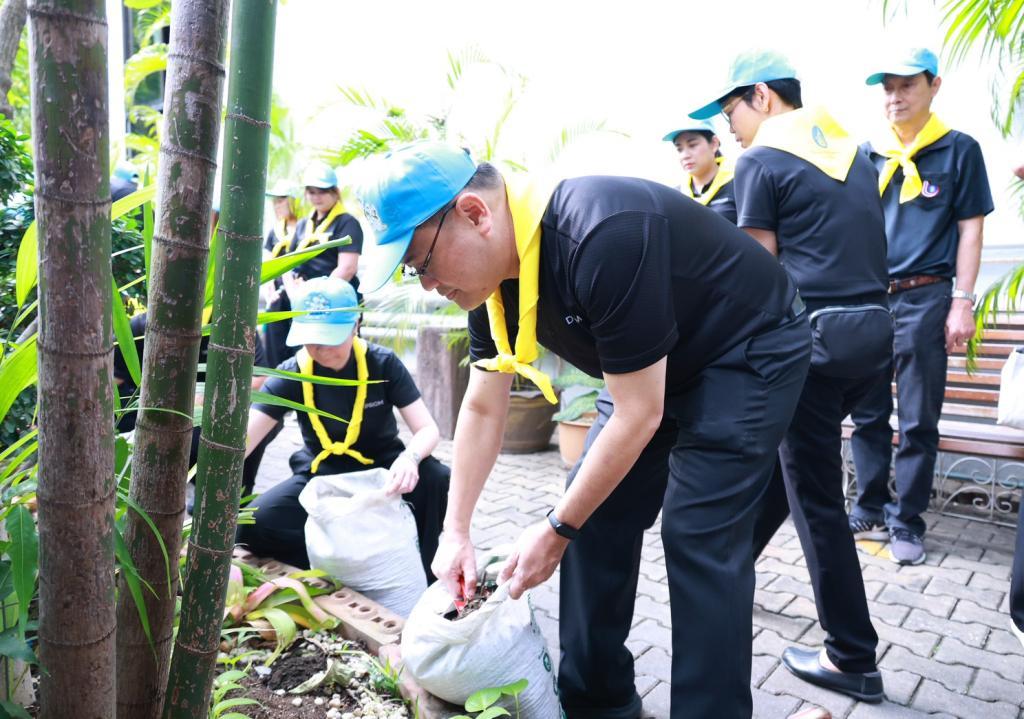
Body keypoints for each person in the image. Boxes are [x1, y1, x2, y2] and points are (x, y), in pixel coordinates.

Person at [357, 141, 811, 718]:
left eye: (421, 262)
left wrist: (555, 528)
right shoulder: (493, 280)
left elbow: (638, 413)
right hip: (653, 371)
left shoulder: (601, 232)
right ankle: (598, 705)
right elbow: (482, 407)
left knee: (698, 535)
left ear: (475, 214)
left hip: (746, 349)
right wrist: (456, 533)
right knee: (590, 515)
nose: (425, 285)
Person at [689, 49, 889, 702]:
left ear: (762, 97)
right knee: (792, 465)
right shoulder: (852, 151)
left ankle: (852, 655)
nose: (729, 129)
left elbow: (757, 274)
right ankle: (729, 572)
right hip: (869, 337)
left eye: (730, 112)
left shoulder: (763, 158)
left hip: (810, 346)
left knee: (817, 500)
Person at [848, 48, 994, 566]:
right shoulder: (867, 155)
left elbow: (971, 229)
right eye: (887, 87)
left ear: (934, 85)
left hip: (927, 297)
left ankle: (906, 519)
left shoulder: (959, 151)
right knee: (867, 413)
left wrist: (962, 302)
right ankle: (867, 506)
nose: (894, 96)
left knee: (917, 419)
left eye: (906, 85)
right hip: (870, 299)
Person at [237, 277, 449, 579]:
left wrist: (410, 459)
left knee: (436, 478)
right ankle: (333, 565)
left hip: (384, 472)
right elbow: (244, 438)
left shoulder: (382, 363)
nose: (320, 348)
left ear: (356, 324)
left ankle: (423, 572)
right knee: (250, 526)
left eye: (330, 337)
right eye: (312, 338)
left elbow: (428, 429)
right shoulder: (293, 372)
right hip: (322, 475)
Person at [112, 309, 277, 504]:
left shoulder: (234, 321)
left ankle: (224, 502)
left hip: (212, 414)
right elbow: (114, 380)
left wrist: (206, 396)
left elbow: (259, 379)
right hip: (151, 415)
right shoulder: (142, 325)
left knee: (248, 429)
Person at [262, 161, 364, 369]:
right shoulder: (302, 225)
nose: (316, 197)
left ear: (335, 192)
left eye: (322, 192)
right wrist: (293, 294)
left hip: (331, 299)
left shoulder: (347, 222)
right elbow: (288, 263)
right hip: (297, 297)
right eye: (311, 192)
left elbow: (347, 268)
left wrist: (314, 296)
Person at [663, 118, 737, 223]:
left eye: (692, 145)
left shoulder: (739, 183)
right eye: (679, 149)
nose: (685, 155)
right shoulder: (675, 196)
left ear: (714, 143)